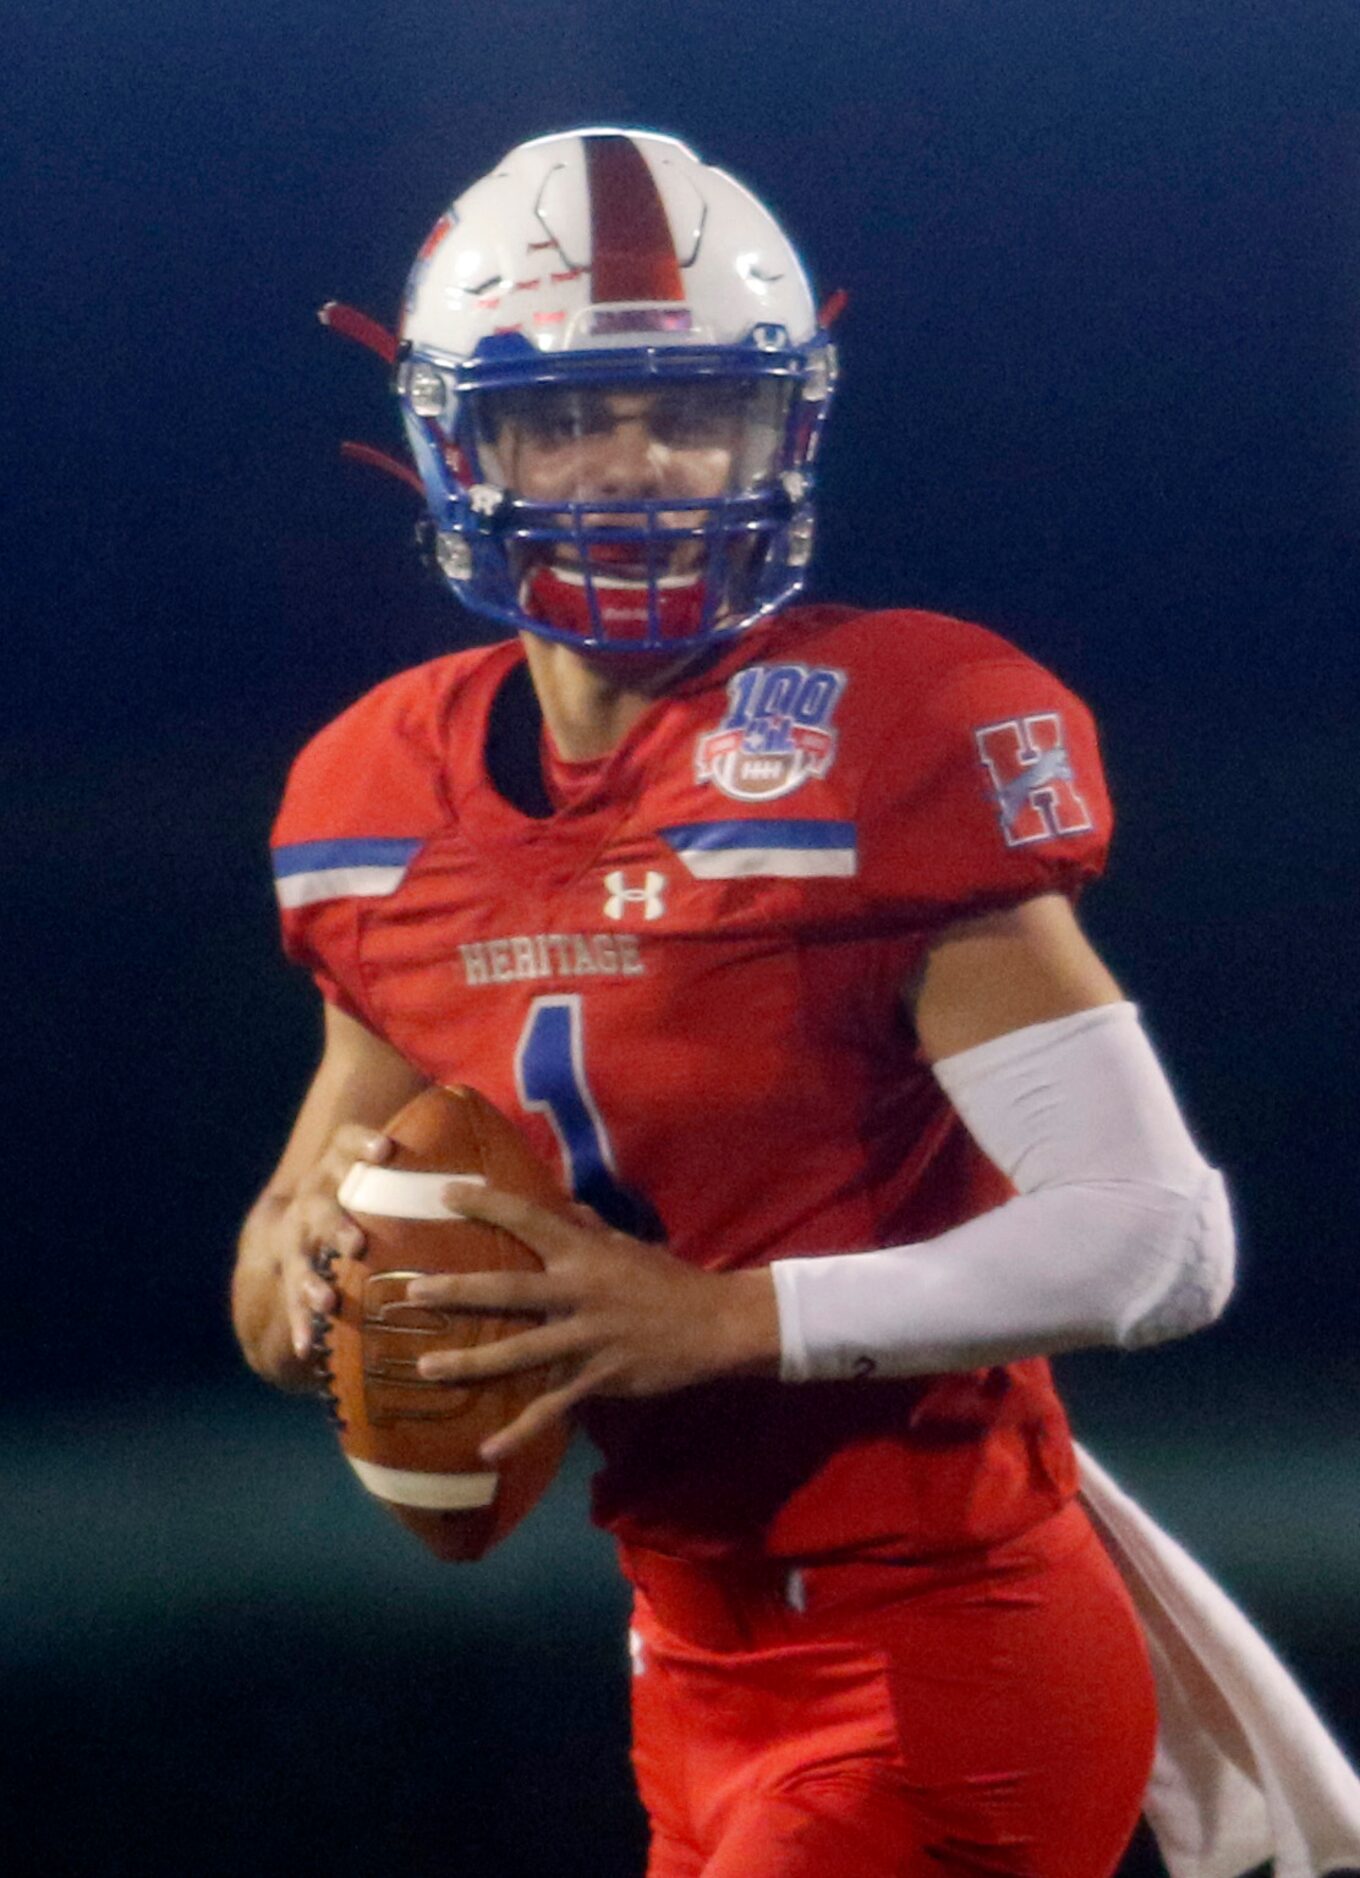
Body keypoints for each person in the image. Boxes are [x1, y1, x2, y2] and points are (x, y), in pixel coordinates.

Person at [231, 129, 1296, 1877]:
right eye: (569, 414)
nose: (639, 460)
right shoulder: (370, 796)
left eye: (694, 408)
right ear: (457, 443)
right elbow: (290, 1247)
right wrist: (330, 1281)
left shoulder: (890, 730)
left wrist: (723, 1319)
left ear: (781, 427)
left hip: (938, 1641)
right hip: (688, 1654)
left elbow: (1164, 1239)